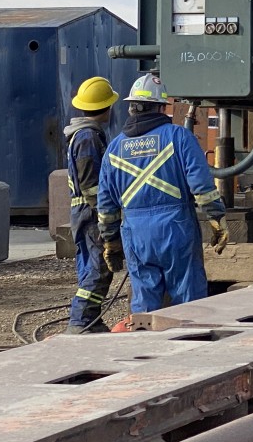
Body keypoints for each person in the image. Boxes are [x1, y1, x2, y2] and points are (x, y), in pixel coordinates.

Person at [97, 73, 229, 313]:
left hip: (136, 234)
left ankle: (146, 346)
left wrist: (111, 241)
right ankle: (190, 346)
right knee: (189, 301)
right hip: (176, 229)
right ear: (160, 107)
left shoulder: (114, 149)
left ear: (131, 108)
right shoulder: (180, 138)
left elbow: (106, 205)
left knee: (144, 305)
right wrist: (217, 220)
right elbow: (202, 187)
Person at [64, 76, 119, 334]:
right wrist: (105, 212)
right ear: (107, 107)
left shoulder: (86, 133)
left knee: (94, 266)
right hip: (89, 212)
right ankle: (81, 321)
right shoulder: (87, 137)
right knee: (97, 267)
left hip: (83, 211)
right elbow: (91, 182)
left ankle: (90, 319)